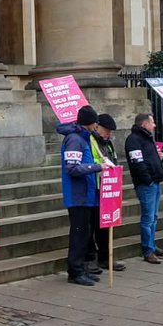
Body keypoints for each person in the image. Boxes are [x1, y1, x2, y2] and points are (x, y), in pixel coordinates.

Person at [60, 105, 111, 286]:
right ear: (90, 123)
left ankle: (81, 269)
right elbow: (72, 168)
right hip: (77, 196)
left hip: (86, 195)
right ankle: (75, 271)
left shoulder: (83, 137)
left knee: (84, 235)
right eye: (95, 122)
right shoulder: (75, 140)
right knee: (79, 235)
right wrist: (97, 167)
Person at [125, 113, 163, 264]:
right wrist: (148, 180)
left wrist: (159, 159)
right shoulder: (134, 139)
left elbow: (149, 159)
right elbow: (137, 163)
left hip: (154, 181)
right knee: (148, 217)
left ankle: (152, 245)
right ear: (144, 124)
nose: (154, 125)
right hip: (146, 184)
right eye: (152, 122)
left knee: (153, 216)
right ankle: (148, 249)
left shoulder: (146, 137)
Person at [86, 113, 126, 274]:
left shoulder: (107, 143)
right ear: (97, 126)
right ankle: (92, 259)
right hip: (94, 187)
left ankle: (105, 257)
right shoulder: (90, 140)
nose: (108, 134)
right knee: (92, 226)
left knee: (105, 226)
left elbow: (112, 160)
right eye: (106, 130)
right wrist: (100, 166)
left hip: (107, 189)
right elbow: (89, 161)